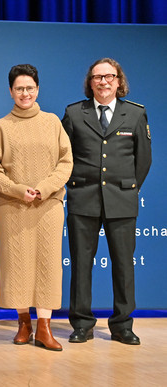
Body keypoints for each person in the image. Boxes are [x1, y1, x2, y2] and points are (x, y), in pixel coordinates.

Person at [0, 64, 73, 351]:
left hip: (48, 205)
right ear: (11, 91)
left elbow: (66, 162)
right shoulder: (1, 126)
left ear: (38, 90)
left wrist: (44, 189)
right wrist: (18, 190)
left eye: (30, 88)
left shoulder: (52, 122)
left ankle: (44, 327)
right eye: (19, 88)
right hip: (13, 206)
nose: (25, 93)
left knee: (48, 264)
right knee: (17, 264)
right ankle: (24, 322)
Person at [63, 58, 152, 345]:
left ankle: (122, 326)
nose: (103, 82)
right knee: (80, 265)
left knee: (124, 265)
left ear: (118, 81)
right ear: (90, 83)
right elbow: (64, 157)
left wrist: (127, 188)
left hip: (121, 200)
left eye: (109, 76)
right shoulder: (75, 113)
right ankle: (82, 324)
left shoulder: (135, 114)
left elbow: (144, 159)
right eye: (97, 77)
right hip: (83, 198)